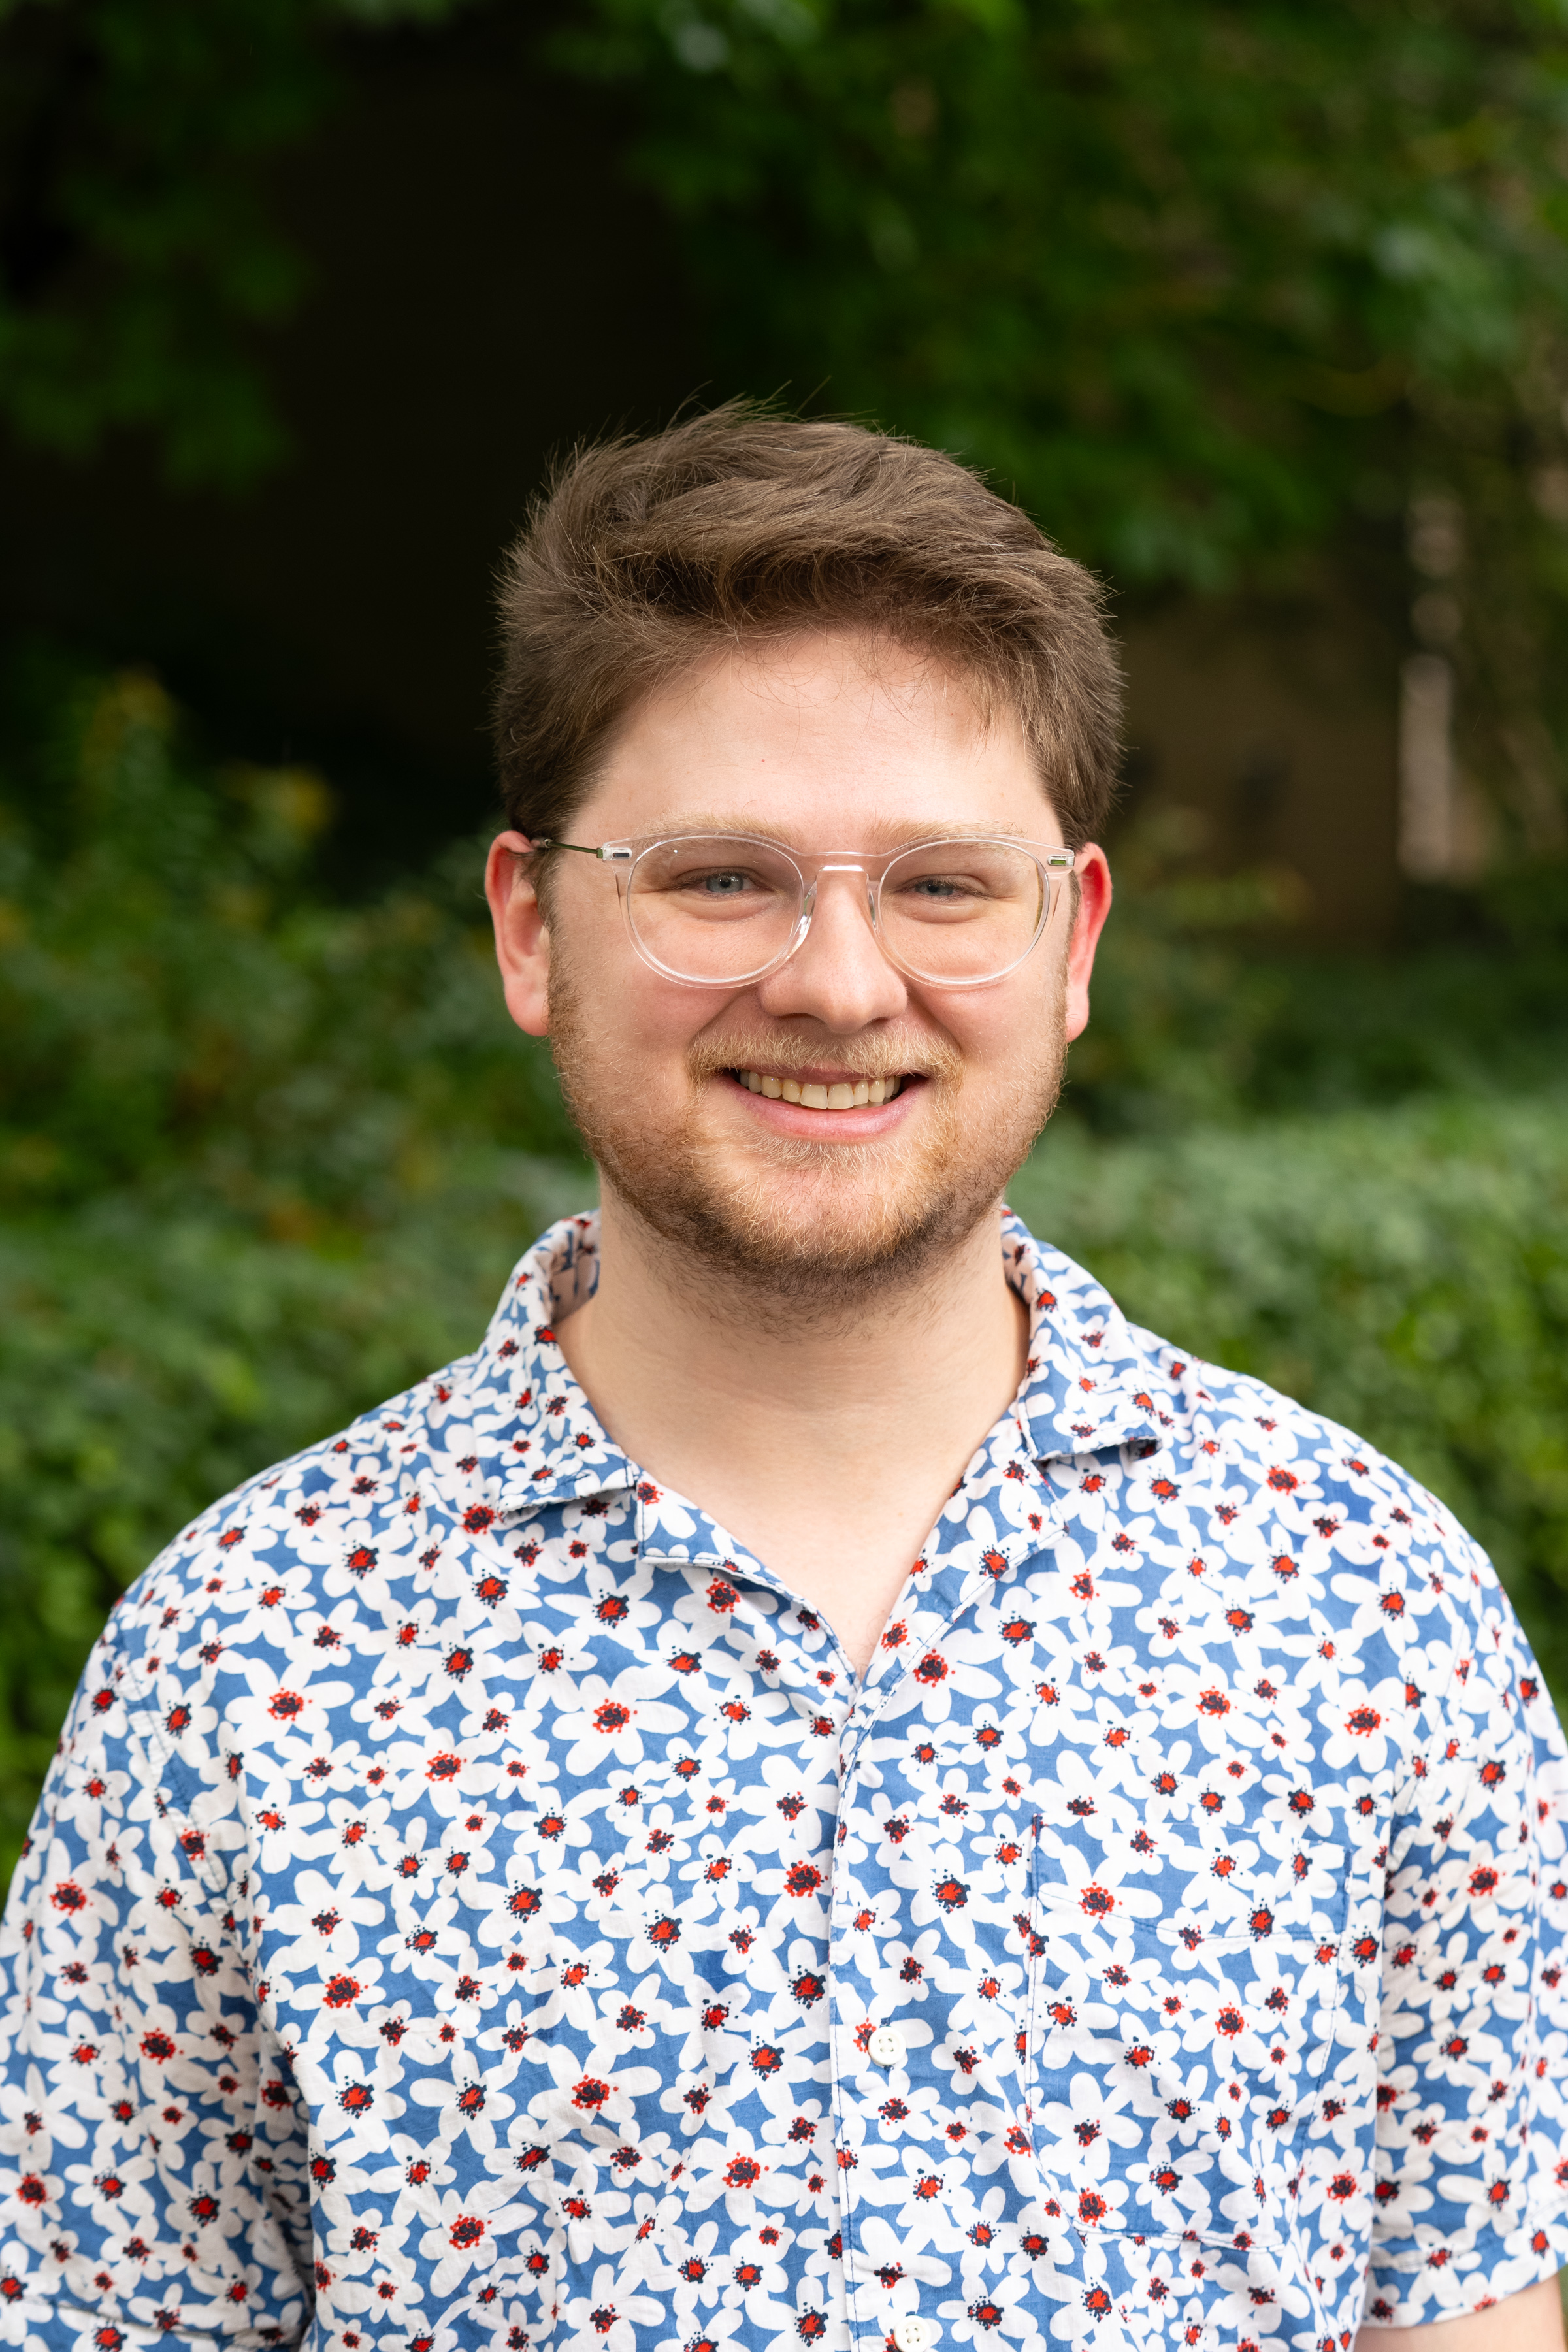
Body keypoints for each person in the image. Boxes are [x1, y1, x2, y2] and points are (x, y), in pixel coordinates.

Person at [0, 407, 1563, 2352]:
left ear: (1071, 938)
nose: (836, 981)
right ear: (530, 929)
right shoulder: (243, 1662)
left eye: (943, 885)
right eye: (723, 876)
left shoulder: (1365, 1607)